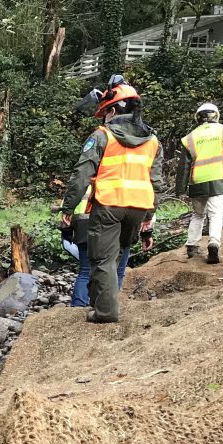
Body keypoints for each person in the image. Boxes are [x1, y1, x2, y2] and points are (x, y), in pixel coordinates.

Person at [61, 83, 164, 324]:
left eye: (106, 112)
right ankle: (104, 303)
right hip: (138, 208)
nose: (104, 117)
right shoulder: (152, 141)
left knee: (102, 260)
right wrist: (148, 221)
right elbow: (155, 183)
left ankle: (105, 312)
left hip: (108, 205)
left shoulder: (102, 135)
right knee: (118, 258)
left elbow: (81, 175)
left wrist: (68, 209)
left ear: (114, 110)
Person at [179, 102, 223, 265]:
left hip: (197, 180)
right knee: (216, 213)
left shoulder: (190, 138)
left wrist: (180, 189)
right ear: (216, 115)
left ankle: (192, 246)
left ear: (198, 118)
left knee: (198, 214)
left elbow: (184, 166)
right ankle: (214, 243)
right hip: (219, 177)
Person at [63, 178, 131, 308]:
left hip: (84, 224)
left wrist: (67, 219)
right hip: (120, 225)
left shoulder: (86, 177)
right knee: (118, 270)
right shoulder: (128, 178)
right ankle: (107, 306)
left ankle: (78, 307)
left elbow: (73, 194)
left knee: (85, 270)